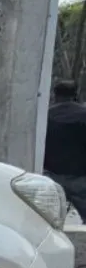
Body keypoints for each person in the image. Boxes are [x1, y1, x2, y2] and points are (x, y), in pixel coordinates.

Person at [44, 80, 86, 218]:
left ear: (55, 95)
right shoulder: (83, 115)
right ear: (75, 94)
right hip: (80, 178)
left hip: (51, 176)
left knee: (45, 218)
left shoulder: (46, 115)